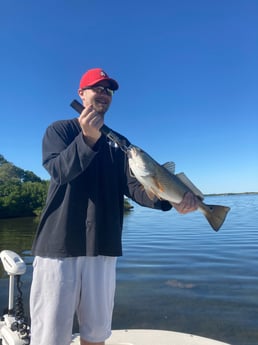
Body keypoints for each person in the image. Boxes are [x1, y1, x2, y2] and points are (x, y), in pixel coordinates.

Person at [30, 68, 198, 345]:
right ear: (81, 94)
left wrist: (168, 199)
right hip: (58, 246)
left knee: (96, 334)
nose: (104, 93)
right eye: (97, 87)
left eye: (108, 90)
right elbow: (59, 172)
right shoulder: (59, 130)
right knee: (49, 336)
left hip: (103, 246)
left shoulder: (120, 144)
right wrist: (86, 138)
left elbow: (134, 188)